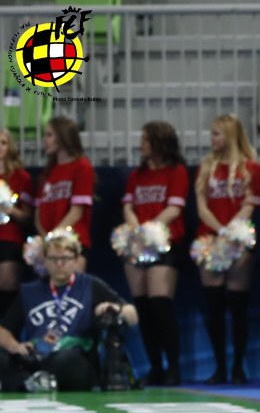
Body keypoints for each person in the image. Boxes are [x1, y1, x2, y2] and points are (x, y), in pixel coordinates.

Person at [0, 232, 138, 392]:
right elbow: (3, 329)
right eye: (53, 259)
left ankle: (23, 384)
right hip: (37, 358)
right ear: (45, 260)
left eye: (65, 259)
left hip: (75, 359)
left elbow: (133, 315)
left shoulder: (90, 285)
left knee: (65, 358)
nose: (59, 263)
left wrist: (115, 308)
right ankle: (32, 383)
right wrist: (15, 346)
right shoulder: (29, 291)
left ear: (75, 260)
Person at [196, 114, 260, 385]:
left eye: (217, 134)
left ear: (230, 135)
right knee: (214, 307)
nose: (212, 139)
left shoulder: (251, 168)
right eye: (211, 134)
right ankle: (220, 367)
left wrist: (231, 232)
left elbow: (249, 205)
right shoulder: (206, 167)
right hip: (210, 240)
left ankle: (237, 367)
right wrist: (220, 231)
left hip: (239, 241)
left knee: (237, 307)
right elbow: (201, 207)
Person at [122, 121, 189, 387]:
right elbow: (127, 206)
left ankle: (173, 368)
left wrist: (150, 231)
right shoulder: (136, 175)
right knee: (144, 308)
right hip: (137, 243)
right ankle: (154, 367)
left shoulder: (177, 171)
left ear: (160, 142)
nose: (141, 144)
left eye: (146, 139)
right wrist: (136, 232)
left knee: (160, 304)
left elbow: (174, 208)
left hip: (165, 242)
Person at [36, 117, 94, 272]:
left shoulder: (82, 167)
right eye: (45, 135)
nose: (45, 140)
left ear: (63, 137)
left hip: (72, 241)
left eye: (50, 135)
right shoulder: (47, 172)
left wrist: (52, 238)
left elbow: (76, 212)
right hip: (49, 245)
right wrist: (46, 239)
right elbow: (38, 214)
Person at [0, 128, 35, 318]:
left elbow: (27, 215)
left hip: (10, 238)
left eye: (3, 142)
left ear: (10, 147)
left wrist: (8, 209)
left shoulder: (22, 178)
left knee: (7, 286)